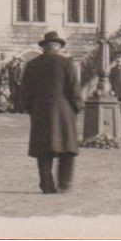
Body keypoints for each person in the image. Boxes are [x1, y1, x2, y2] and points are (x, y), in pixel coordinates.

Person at [22, 31, 82, 194]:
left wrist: (31, 109)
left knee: (43, 150)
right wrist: (77, 106)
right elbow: (74, 88)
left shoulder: (32, 64)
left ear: (44, 47)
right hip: (63, 112)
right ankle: (64, 182)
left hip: (40, 111)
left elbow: (25, 91)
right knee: (67, 149)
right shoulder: (66, 63)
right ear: (58, 46)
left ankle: (46, 184)